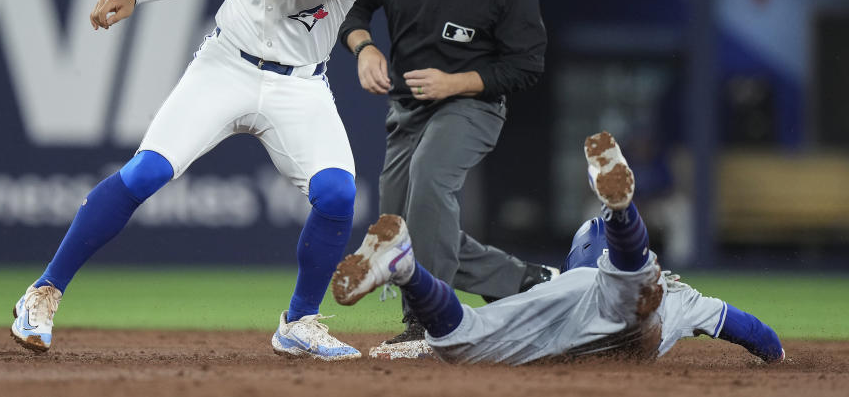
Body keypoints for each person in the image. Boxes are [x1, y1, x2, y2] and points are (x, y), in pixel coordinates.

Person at [10, 0, 372, 362]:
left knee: (337, 195)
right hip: (224, 66)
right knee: (145, 171)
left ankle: (299, 322)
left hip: (298, 86)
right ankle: (43, 292)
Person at [337, 0, 556, 357]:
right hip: (408, 108)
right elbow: (352, 5)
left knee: (431, 178)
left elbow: (527, 65)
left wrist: (455, 81)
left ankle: (428, 326)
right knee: (401, 226)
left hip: (472, 105)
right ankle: (523, 280)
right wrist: (364, 47)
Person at [331, 131, 786, 366]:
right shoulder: (677, 294)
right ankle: (622, 212)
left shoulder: (555, 283)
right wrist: (777, 357)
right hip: (623, 304)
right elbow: (751, 330)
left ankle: (406, 268)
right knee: (631, 286)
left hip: (556, 325)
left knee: (457, 341)